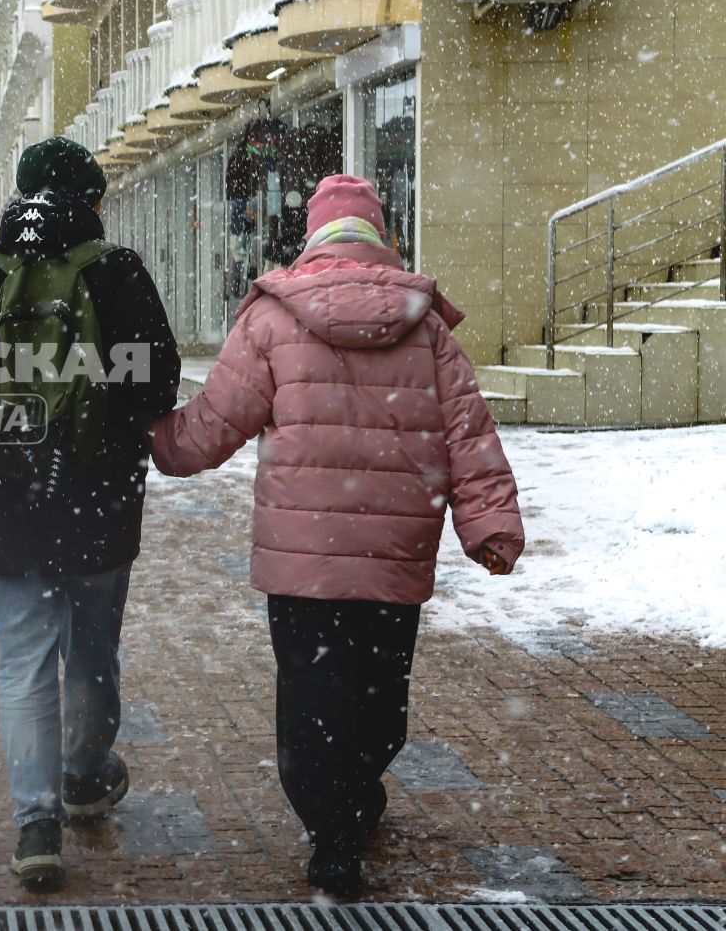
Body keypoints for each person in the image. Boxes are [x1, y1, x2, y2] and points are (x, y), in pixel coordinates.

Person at [148, 175, 524, 898]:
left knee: (312, 695)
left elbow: (213, 423)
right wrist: (491, 524)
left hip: (303, 560)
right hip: (394, 553)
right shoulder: (428, 325)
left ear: (313, 237)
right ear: (380, 237)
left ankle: (332, 827)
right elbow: (470, 435)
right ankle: (357, 788)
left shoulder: (271, 317)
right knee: (380, 697)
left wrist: (153, 440)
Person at [0, 136, 180, 891]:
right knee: (93, 648)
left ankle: (36, 822)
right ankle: (85, 774)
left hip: (8, 501)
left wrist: (2, 433)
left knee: (22, 659)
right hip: (100, 497)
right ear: (89, 200)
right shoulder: (117, 271)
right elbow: (158, 381)